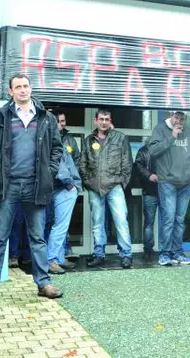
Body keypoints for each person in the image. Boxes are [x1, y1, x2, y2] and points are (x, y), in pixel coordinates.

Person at [0, 73, 64, 303]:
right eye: (18, 87)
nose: (23, 90)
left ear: (30, 88)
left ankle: (43, 283)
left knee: (37, 238)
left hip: (35, 185)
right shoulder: (2, 117)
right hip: (8, 185)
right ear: (11, 91)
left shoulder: (46, 118)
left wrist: (49, 172)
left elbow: (57, 149)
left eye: (26, 86)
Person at [80, 110, 134, 269]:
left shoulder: (120, 137)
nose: (104, 122)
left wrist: (121, 183)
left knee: (121, 221)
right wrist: (88, 182)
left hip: (114, 186)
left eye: (107, 119)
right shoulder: (88, 140)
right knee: (97, 222)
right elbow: (82, 163)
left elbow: (127, 163)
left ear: (111, 121)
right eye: (101, 119)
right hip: (94, 187)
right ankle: (99, 255)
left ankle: (126, 254)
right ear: (95, 121)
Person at [148, 111, 190, 266]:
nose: (180, 121)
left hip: (186, 182)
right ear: (170, 116)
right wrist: (172, 136)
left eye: (183, 118)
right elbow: (153, 151)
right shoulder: (160, 129)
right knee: (169, 218)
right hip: (167, 181)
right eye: (177, 117)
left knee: (179, 219)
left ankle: (178, 253)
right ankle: (165, 253)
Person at [46, 136, 82, 274]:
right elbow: (61, 166)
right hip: (63, 188)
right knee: (60, 226)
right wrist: (70, 184)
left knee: (55, 225)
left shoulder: (42, 139)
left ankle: (58, 258)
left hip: (53, 187)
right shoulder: (53, 141)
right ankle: (52, 260)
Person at [133, 142, 161, 261]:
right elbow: (138, 166)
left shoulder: (143, 150)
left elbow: (138, 166)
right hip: (152, 191)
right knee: (153, 223)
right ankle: (151, 250)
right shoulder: (144, 151)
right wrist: (149, 175)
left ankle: (151, 251)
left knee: (152, 223)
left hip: (161, 191)